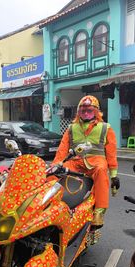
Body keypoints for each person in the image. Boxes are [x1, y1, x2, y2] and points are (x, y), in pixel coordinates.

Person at [52, 95, 120, 228]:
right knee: (55, 173)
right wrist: (56, 165)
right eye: (83, 111)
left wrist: (114, 176)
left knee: (101, 171)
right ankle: (46, 203)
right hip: (76, 161)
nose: (86, 113)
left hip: (96, 162)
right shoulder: (71, 128)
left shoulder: (106, 128)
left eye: (90, 111)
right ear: (79, 112)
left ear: (97, 112)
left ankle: (99, 212)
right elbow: (62, 150)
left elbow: (111, 153)